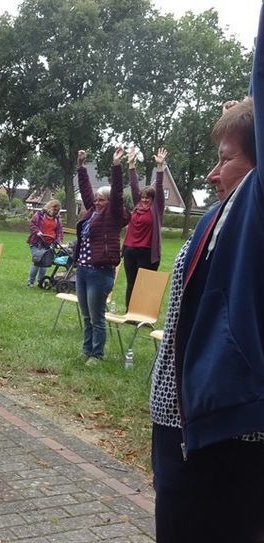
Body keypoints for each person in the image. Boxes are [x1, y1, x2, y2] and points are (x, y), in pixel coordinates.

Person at [149, 13, 264, 535]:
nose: (212, 174)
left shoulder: (251, 212)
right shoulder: (217, 217)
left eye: (226, 159)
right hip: (178, 424)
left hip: (226, 436)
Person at [74, 148, 129, 365]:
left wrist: (116, 166)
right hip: (83, 270)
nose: (97, 202)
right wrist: (80, 166)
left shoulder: (115, 215)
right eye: (97, 199)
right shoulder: (91, 213)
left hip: (100, 272)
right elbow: (86, 192)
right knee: (86, 315)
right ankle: (87, 349)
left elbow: (116, 194)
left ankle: (97, 354)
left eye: (102, 200)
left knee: (97, 317)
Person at [122, 146, 167, 307]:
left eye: (148, 198)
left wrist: (160, 167)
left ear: (153, 199)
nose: (144, 200)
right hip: (130, 251)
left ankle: (143, 314)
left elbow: (160, 188)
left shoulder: (156, 210)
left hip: (147, 252)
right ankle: (129, 312)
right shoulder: (136, 206)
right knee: (131, 282)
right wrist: (131, 164)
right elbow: (134, 186)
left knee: (145, 284)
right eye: (142, 197)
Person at [26, 199, 62, 287]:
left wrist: (58, 241)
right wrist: (38, 231)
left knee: (45, 263)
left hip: (48, 244)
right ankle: (30, 282)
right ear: (50, 207)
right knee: (37, 261)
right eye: (55, 209)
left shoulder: (57, 219)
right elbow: (32, 224)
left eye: (57, 210)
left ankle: (40, 281)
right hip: (37, 242)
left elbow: (59, 231)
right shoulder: (39, 215)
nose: (55, 212)